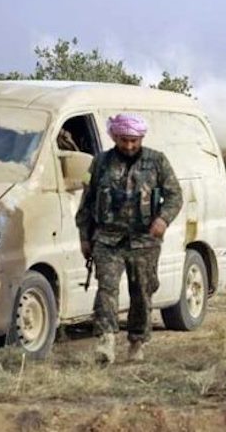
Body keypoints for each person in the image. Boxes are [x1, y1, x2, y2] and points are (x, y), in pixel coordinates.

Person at [76, 113, 183, 364]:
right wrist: (84, 237)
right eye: (124, 140)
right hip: (107, 239)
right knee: (106, 290)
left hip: (144, 241)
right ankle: (106, 341)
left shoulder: (157, 161)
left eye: (134, 140)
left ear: (141, 138)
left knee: (142, 293)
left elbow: (175, 195)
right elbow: (87, 202)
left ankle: (136, 341)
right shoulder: (101, 162)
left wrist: (163, 220)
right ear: (114, 136)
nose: (129, 146)